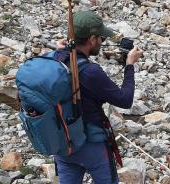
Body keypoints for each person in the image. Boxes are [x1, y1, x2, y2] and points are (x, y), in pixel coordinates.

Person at [53, 11, 143, 184]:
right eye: (101, 37)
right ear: (92, 39)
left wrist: (61, 49)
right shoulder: (90, 72)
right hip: (91, 145)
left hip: (63, 143)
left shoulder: (56, 57)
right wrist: (129, 65)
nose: (102, 42)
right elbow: (125, 100)